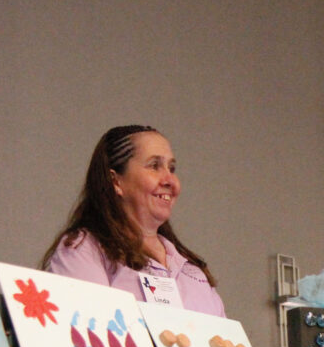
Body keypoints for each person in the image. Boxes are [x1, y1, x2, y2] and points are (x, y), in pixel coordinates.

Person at [43, 125, 225, 317]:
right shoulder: (85, 249)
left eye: (171, 168)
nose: (170, 180)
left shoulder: (193, 270)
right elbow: (89, 329)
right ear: (116, 181)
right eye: (154, 166)